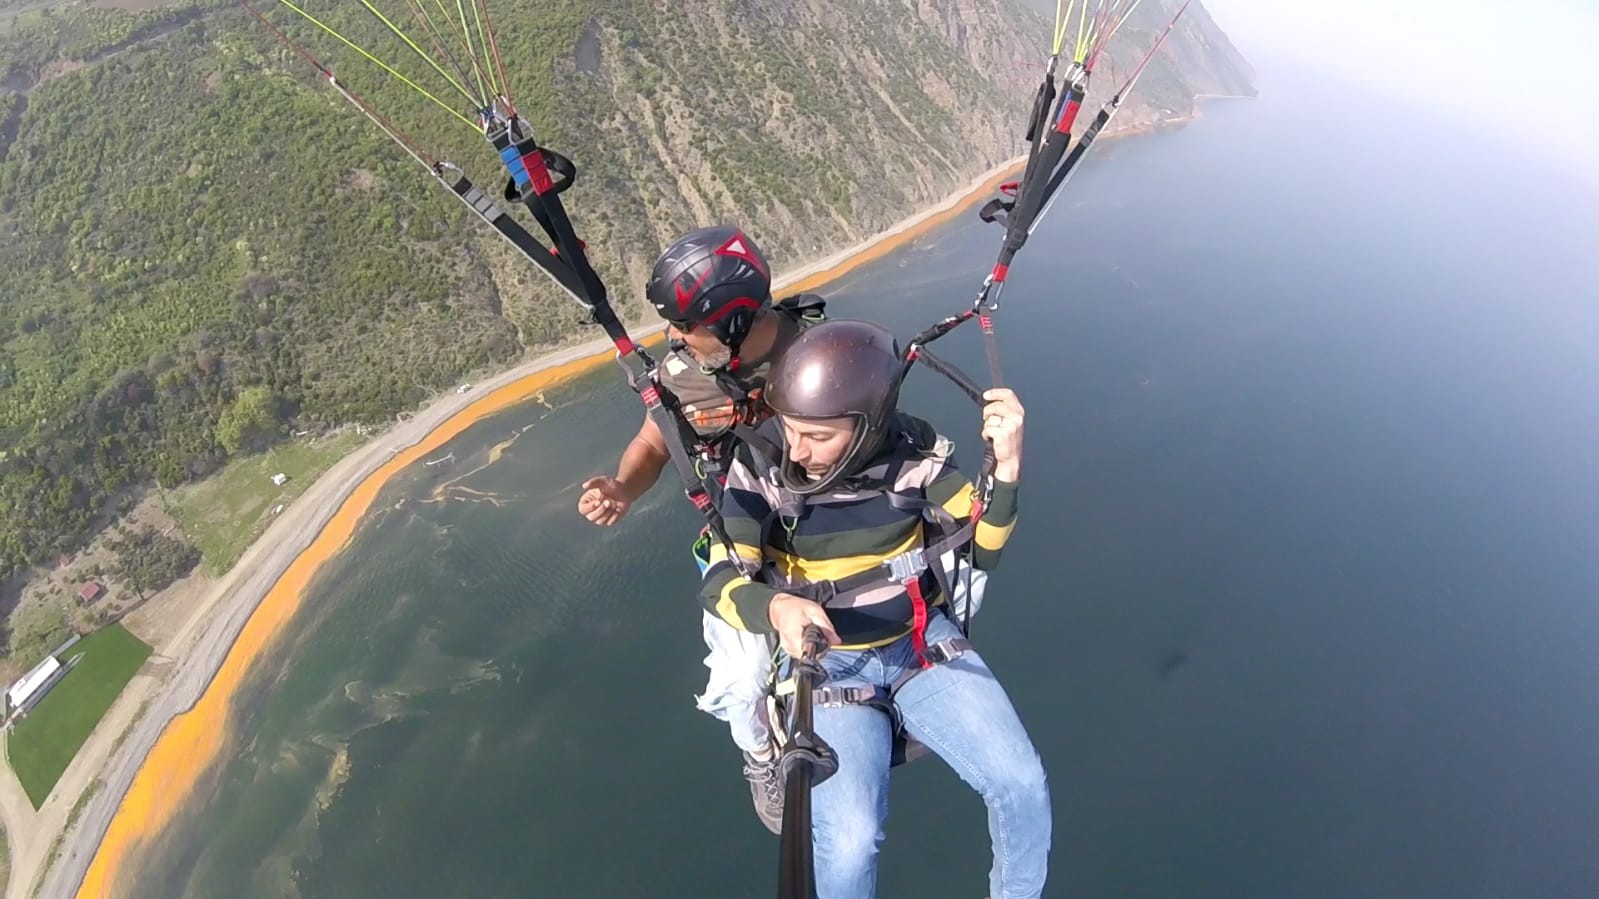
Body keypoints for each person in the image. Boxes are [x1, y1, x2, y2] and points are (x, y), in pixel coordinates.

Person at [698, 319, 1050, 899]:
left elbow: (981, 547)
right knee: (852, 837)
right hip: (829, 663)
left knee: (1022, 784)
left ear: (866, 429)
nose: (797, 448)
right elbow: (719, 580)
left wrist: (1007, 469)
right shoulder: (759, 466)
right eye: (790, 427)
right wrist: (779, 607)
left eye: (817, 435)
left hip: (919, 645)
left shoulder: (915, 457)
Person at [576, 225, 822, 832]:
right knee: (743, 679)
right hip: (735, 540)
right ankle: (762, 757)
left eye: (687, 325)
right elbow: (654, 440)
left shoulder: (818, 356)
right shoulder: (686, 374)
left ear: (734, 319)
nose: (676, 337)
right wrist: (622, 488)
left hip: (818, 530)